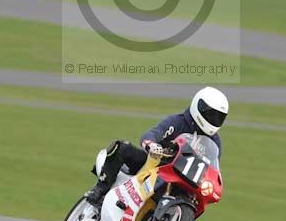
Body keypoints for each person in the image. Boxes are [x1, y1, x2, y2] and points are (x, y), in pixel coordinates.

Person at [85, 86, 229, 205]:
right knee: (122, 147)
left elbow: (212, 169)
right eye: (211, 114)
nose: (214, 120)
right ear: (199, 106)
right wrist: (152, 144)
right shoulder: (178, 122)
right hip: (155, 165)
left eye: (219, 117)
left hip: (185, 183)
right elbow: (154, 132)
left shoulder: (215, 142)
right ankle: (100, 189)